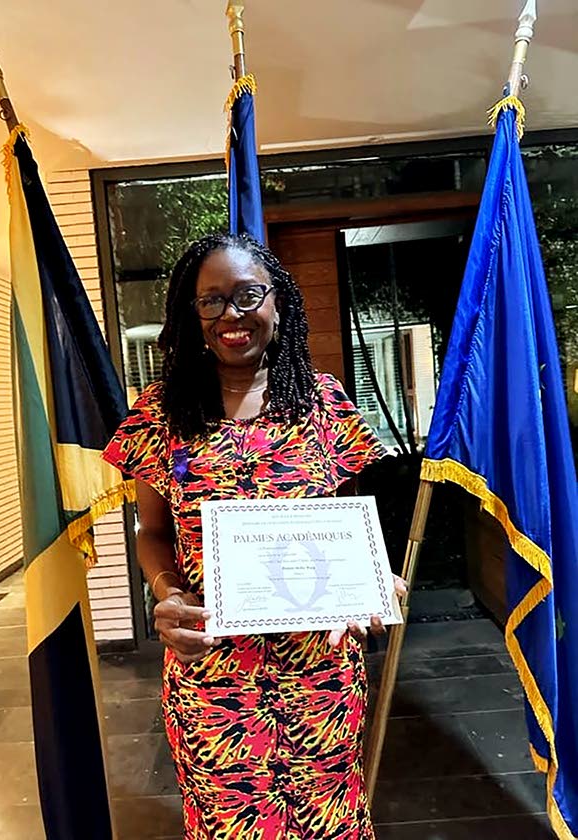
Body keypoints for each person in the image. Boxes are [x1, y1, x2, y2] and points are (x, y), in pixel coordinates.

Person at [103, 232, 405, 839]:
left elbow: (341, 525)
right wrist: (168, 592)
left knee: (330, 822)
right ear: (192, 316)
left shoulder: (325, 404)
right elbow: (152, 532)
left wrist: (372, 580)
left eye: (247, 296)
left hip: (321, 677)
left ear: (278, 303)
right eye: (210, 301)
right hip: (213, 677)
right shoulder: (161, 413)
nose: (230, 315)